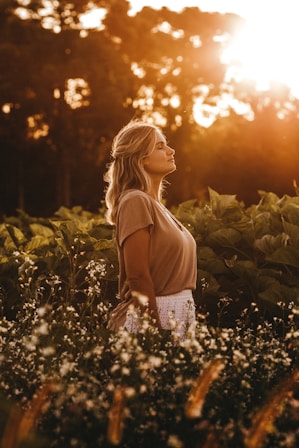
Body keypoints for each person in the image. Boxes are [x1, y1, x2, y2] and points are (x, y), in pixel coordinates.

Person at [104, 119, 197, 337]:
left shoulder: (155, 205)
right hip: (153, 319)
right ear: (140, 159)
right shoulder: (135, 200)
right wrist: (154, 331)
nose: (171, 151)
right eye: (160, 146)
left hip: (178, 314)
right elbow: (137, 276)